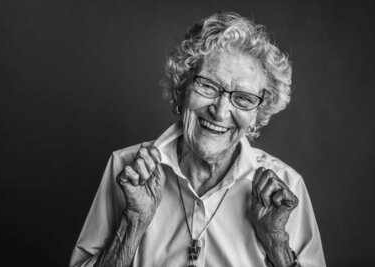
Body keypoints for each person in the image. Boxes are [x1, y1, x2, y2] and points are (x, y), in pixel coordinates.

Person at [70, 12, 326, 267]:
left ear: (258, 114)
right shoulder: (125, 169)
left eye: (244, 98)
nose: (221, 111)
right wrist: (133, 222)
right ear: (182, 87)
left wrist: (277, 246)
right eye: (208, 85)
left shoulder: (287, 188)